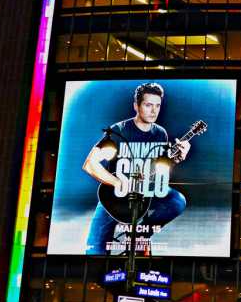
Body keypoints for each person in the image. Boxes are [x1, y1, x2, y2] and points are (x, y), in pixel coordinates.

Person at [81, 82, 191, 255]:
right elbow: (90, 164)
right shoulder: (118, 131)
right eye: (148, 105)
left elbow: (158, 169)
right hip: (115, 198)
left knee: (177, 201)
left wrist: (176, 158)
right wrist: (120, 183)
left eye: (157, 106)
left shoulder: (160, 133)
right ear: (136, 106)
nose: (154, 111)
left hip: (145, 193)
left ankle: (139, 236)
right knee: (93, 252)